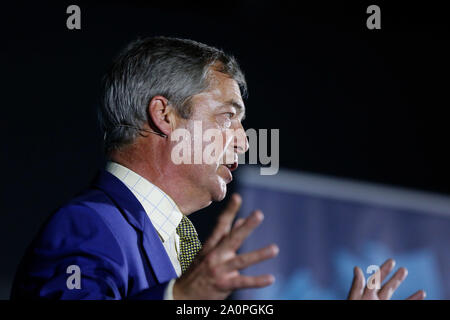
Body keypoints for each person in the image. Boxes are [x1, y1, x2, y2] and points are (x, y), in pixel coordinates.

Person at [10, 37, 425, 300]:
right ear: (165, 115)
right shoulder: (87, 225)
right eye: (228, 116)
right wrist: (176, 298)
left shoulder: (182, 246)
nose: (245, 141)